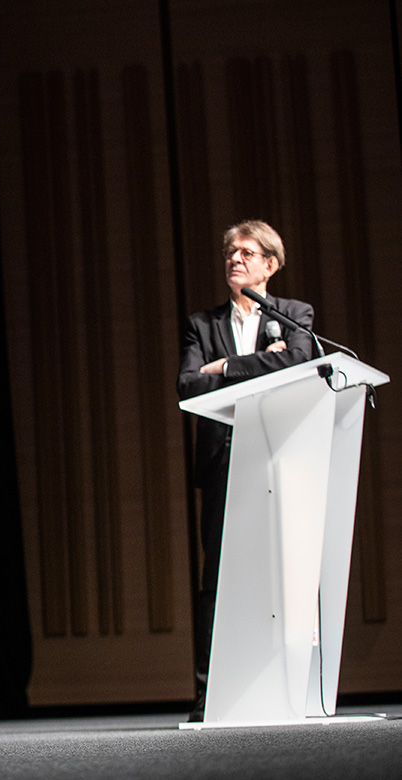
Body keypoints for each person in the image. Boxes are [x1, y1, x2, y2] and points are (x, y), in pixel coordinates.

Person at [176, 219, 315, 721]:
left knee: (284, 575)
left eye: (247, 253)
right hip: (223, 463)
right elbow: (188, 386)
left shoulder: (295, 314)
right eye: (230, 252)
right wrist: (260, 361)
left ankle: (292, 689)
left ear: (270, 265)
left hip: (280, 458)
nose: (235, 259)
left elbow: (299, 362)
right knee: (217, 582)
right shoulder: (202, 324)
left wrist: (227, 367)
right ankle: (208, 696)